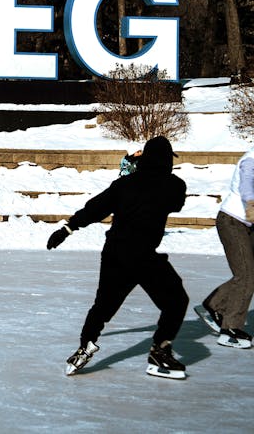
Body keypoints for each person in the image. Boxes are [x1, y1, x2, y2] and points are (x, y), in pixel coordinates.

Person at [46, 135, 189, 380]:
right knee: (176, 301)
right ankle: (159, 351)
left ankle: (85, 346)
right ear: (167, 160)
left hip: (116, 255)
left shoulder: (124, 184)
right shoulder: (174, 186)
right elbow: (177, 204)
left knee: (102, 307)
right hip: (144, 257)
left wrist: (67, 228)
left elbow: (95, 207)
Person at [196, 116, 254, 349]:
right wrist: (251, 206)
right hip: (232, 220)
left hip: (244, 223)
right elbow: (246, 185)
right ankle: (230, 329)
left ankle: (213, 305)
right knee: (245, 276)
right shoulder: (252, 160)